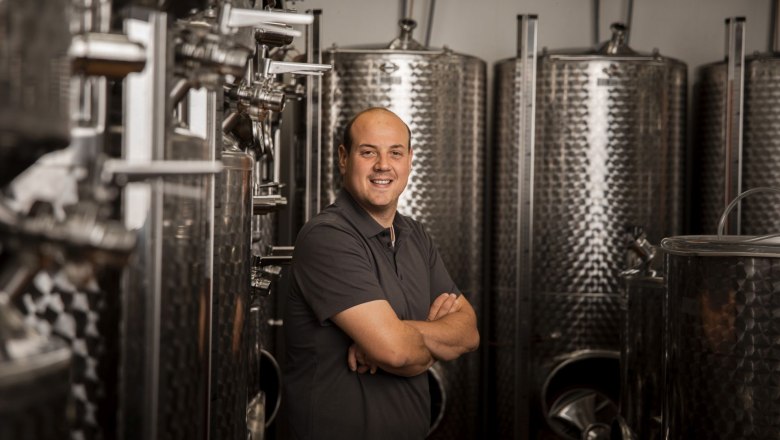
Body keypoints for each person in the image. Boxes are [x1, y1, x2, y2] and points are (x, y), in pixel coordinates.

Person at [282, 107, 479, 439]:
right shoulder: (327, 237)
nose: (383, 165)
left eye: (395, 153)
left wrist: (398, 334)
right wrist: (420, 339)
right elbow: (396, 352)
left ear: (410, 160)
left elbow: (469, 333)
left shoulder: (416, 236)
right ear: (344, 158)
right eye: (368, 152)